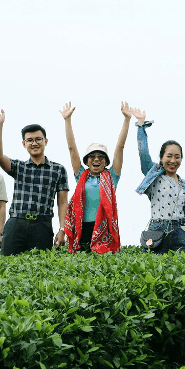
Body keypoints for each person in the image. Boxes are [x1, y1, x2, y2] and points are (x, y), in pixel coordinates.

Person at [0, 103, 69, 255]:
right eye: (30, 140)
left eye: (38, 139)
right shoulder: (19, 167)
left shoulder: (58, 169)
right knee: (9, 266)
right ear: (24, 144)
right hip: (16, 222)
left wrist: (63, 229)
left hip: (42, 225)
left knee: (41, 269)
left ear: (46, 141)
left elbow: (62, 202)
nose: (34, 143)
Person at [60, 101, 133, 254]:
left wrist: (127, 120)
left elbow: (120, 147)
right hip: (82, 228)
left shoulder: (111, 177)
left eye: (101, 156)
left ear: (106, 161)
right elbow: (72, 148)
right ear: (86, 161)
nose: (96, 159)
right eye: (92, 156)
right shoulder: (81, 176)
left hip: (104, 230)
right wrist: (67, 121)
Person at [134, 108, 185, 252]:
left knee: (184, 269)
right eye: (169, 156)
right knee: (153, 269)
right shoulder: (154, 176)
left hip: (180, 232)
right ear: (161, 158)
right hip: (157, 230)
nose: (173, 160)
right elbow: (143, 153)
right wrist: (141, 125)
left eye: (177, 156)